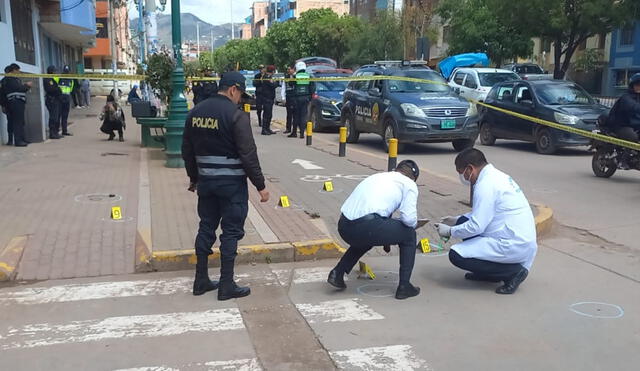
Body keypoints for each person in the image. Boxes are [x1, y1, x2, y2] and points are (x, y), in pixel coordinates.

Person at [182, 71, 270, 301]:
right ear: (233, 89)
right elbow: (248, 154)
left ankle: (200, 280)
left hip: (207, 184)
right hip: (231, 186)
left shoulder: (195, 112)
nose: (240, 99)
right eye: (240, 94)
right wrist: (260, 186)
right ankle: (226, 284)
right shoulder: (235, 115)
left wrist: (194, 178)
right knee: (230, 232)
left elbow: (187, 150)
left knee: (206, 227)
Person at [434, 148, 537, 295]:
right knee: (462, 221)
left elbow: (476, 226)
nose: (461, 177)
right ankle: (488, 273)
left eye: (461, 172)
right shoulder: (497, 176)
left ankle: (512, 272)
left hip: (511, 243)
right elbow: (484, 212)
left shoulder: (485, 185)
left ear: (470, 169)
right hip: (518, 238)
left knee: (456, 255)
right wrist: (455, 220)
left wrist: (450, 231)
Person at [327, 160, 421, 300]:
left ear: (397, 169)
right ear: (413, 178)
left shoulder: (377, 177)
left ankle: (337, 273)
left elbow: (379, 213)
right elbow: (409, 219)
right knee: (409, 234)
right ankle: (404, 286)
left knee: (366, 238)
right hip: (368, 227)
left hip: (344, 226)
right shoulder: (409, 184)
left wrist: (387, 238)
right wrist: (412, 225)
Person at [0, 63, 32, 146]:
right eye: (18, 70)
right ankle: (17, 141)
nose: (19, 72)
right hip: (14, 103)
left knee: (19, 122)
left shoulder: (14, 79)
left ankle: (20, 139)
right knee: (17, 122)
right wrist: (27, 86)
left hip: (15, 103)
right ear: (14, 70)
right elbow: (19, 89)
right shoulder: (9, 79)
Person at [607, 72, 640, 143]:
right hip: (622, 125)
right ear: (632, 86)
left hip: (636, 125)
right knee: (634, 138)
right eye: (637, 85)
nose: (639, 87)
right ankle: (627, 154)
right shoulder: (626, 97)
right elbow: (633, 107)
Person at [288, 61, 314, 139]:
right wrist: (310, 97)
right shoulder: (309, 76)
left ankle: (294, 132)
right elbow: (312, 88)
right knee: (303, 116)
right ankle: (302, 133)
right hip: (305, 98)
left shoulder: (296, 76)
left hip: (297, 98)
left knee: (296, 115)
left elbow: (290, 84)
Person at [43, 66, 63, 140]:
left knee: (57, 117)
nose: (56, 72)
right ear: (51, 71)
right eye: (54, 71)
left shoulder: (52, 79)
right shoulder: (48, 79)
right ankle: (52, 133)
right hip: (52, 100)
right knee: (53, 117)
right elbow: (51, 89)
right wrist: (58, 89)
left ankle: (56, 132)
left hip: (56, 100)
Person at [54, 65, 74, 136]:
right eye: (66, 71)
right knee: (58, 115)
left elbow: (71, 89)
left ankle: (64, 131)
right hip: (60, 99)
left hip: (67, 99)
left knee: (65, 116)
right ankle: (56, 131)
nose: (66, 73)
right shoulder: (59, 78)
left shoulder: (71, 80)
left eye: (67, 72)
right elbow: (53, 82)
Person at [259, 65, 278, 135]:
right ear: (272, 71)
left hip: (269, 97)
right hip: (267, 98)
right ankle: (264, 129)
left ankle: (267, 128)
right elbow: (273, 85)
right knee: (266, 114)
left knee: (269, 114)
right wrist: (277, 82)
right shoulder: (267, 77)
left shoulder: (268, 77)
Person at [282, 65, 296, 134]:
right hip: (288, 96)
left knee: (295, 114)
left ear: (293, 69)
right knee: (289, 114)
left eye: (290, 69)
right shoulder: (286, 77)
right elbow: (283, 87)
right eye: (288, 69)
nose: (289, 71)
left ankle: (295, 129)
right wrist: (283, 98)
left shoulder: (296, 76)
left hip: (295, 97)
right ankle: (288, 128)